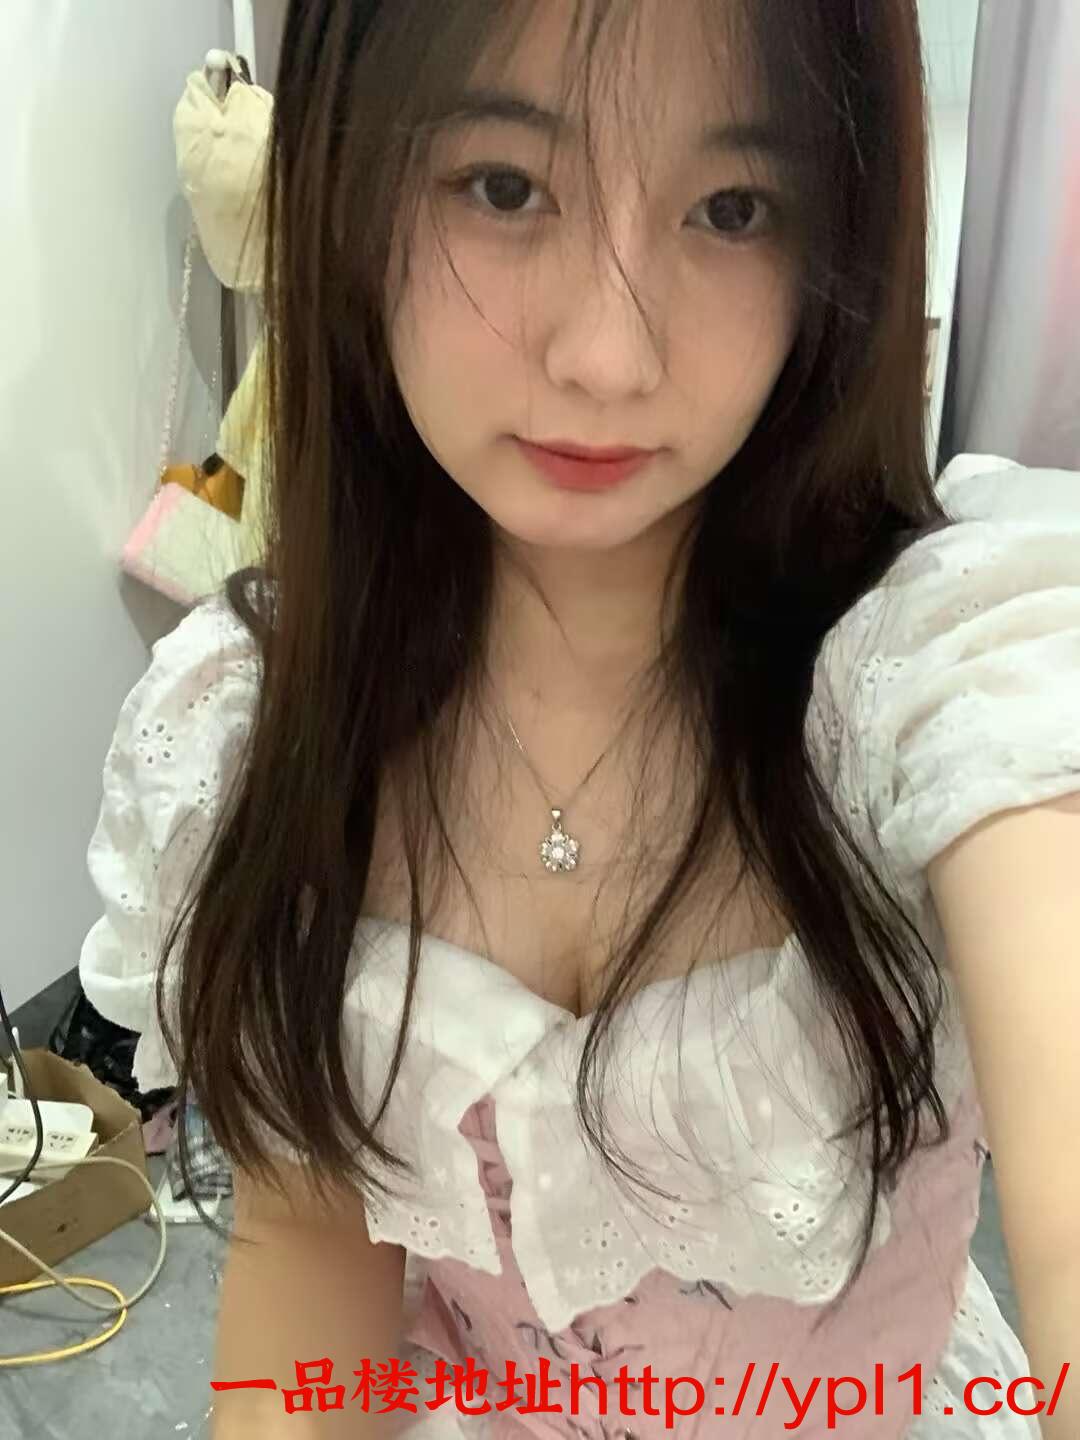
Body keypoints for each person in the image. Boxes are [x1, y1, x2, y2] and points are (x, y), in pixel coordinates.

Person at [79, 2, 1080, 1436]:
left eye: (731, 209)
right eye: (505, 186)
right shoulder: (264, 722)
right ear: (351, 190)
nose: (609, 356)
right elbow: (309, 1251)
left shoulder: (950, 669)